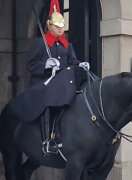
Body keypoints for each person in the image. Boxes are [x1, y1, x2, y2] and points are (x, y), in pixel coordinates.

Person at [27, 0, 89, 155]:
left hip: (62, 83)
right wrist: (46, 64)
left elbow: (73, 62)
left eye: (62, 26)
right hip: (44, 83)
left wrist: (81, 65)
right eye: (57, 26)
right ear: (49, 26)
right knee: (49, 100)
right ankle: (47, 140)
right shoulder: (41, 44)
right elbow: (31, 65)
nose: (61, 29)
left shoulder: (67, 46)